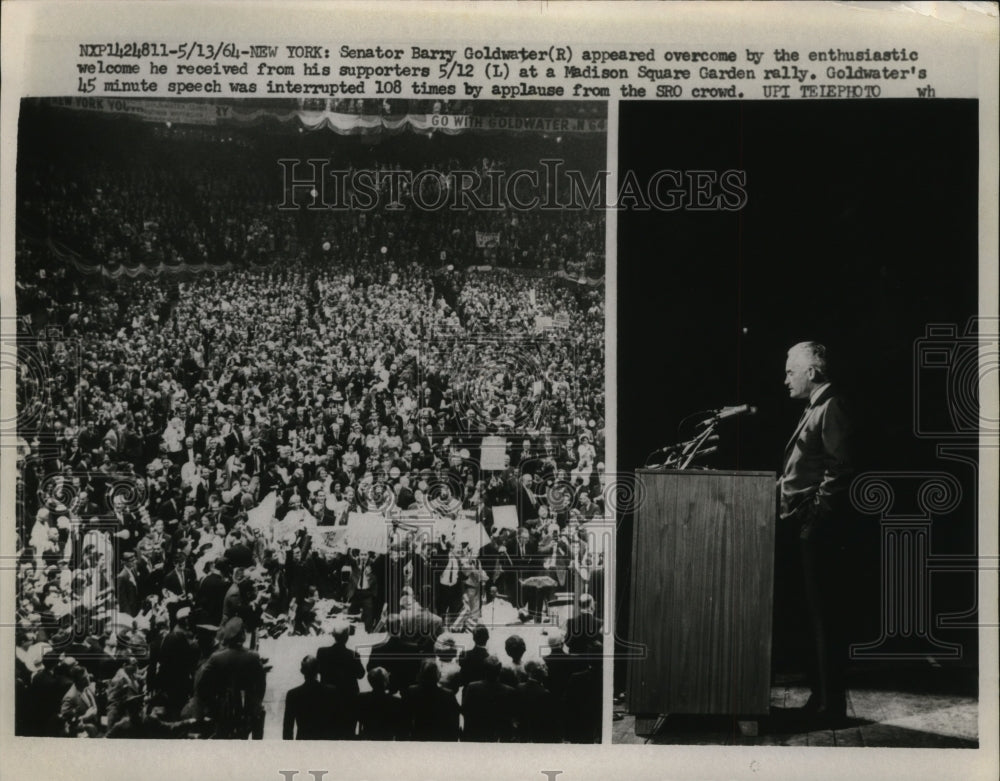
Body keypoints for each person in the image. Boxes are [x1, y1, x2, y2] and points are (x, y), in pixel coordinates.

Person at [778, 341, 854, 723]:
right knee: (812, 617)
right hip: (805, 525)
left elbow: (840, 469)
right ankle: (821, 697)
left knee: (824, 618)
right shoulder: (817, 407)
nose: (785, 378)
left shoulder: (831, 406)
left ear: (811, 372)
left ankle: (830, 705)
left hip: (818, 529)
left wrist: (815, 519)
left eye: (791, 371)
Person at [196, 617, 267, 739]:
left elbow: (202, 686)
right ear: (242, 636)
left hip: (223, 710)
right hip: (246, 710)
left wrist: (214, 705)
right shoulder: (253, 657)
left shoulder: (216, 658)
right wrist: (257, 703)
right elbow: (261, 685)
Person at [316, 621, 364, 737]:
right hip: (348, 700)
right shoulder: (353, 655)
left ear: (333, 635)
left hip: (328, 698)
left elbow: (318, 670)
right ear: (347, 637)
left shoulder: (322, 652)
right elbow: (361, 674)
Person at [282, 655, 338, 739]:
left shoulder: (293, 694)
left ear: (302, 671)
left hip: (303, 741)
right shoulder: (331, 691)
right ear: (318, 670)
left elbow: (288, 727)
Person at [460, 655, 514, 742]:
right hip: (498, 735)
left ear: (484, 669)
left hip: (476, 733)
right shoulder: (509, 691)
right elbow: (510, 716)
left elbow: (465, 710)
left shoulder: (472, 687)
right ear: (500, 669)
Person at [402, 659, 460, 741]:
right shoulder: (447, 695)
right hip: (439, 738)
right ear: (437, 675)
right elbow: (453, 722)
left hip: (418, 736)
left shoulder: (412, 691)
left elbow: (405, 718)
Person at [354, 666, 405, 740]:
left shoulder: (361, 698)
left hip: (368, 735)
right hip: (387, 737)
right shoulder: (396, 701)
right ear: (386, 681)